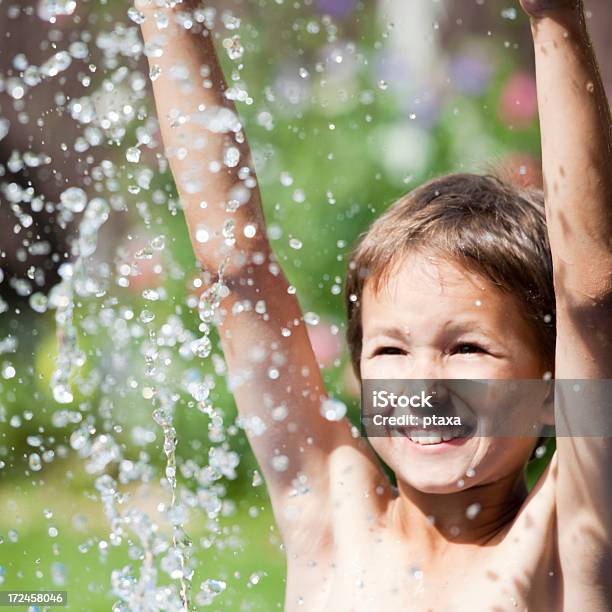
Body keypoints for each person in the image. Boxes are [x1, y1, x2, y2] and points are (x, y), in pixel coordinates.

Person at [138, 0, 611, 609]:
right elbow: (237, 274)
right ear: (357, 375)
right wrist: (166, 13)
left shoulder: (561, 542)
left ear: (553, 387)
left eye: (467, 348)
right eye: (391, 349)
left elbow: (591, 303)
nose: (425, 384)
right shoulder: (333, 520)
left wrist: (555, 20)